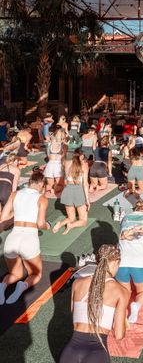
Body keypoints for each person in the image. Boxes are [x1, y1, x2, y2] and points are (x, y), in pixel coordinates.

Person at [59, 244, 128, 363]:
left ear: (96, 261)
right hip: (97, 353)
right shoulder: (121, 292)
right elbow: (119, 334)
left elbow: (74, 314)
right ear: (115, 263)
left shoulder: (77, 283)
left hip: (70, 352)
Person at [0, 169, 49, 304]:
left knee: (16, 274)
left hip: (12, 238)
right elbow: (40, 223)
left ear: (29, 182)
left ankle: (2, 286)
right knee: (36, 274)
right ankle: (21, 287)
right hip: (29, 239)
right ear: (41, 185)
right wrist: (48, 226)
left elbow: (3, 217)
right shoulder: (42, 198)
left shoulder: (15, 194)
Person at [116, 201, 143, 324]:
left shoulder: (125, 217)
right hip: (140, 262)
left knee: (125, 291)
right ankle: (136, 306)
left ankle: (119, 312)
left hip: (121, 262)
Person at [53, 148, 90, 235]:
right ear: (81, 156)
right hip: (78, 192)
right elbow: (85, 184)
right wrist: (87, 199)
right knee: (83, 221)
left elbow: (65, 181)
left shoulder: (67, 163)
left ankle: (60, 224)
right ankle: (71, 226)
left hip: (67, 191)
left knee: (71, 217)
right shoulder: (84, 165)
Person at [44, 125, 67, 195]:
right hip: (58, 166)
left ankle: (49, 189)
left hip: (49, 165)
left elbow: (48, 156)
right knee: (62, 185)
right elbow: (64, 158)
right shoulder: (64, 145)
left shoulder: (50, 144)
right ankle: (54, 190)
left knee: (49, 185)